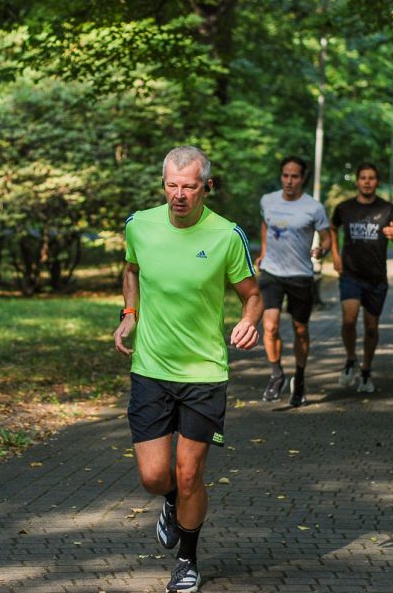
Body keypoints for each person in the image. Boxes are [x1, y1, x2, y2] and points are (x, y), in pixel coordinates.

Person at [113, 145, 263, 593]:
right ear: (164, 185)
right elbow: (132, 269)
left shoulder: (226, 236)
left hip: (203, 372)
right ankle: (172, 504)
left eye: (189, 187)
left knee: (189, 472)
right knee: (155, 477)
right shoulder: (140, 224)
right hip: (151, 368)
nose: (179, 195)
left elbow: (252, 294)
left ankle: (187, 559)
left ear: (206, 187)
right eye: (172, 185)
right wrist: (129, 312)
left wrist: (249, 321)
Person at [254, 156, 331, 407]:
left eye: (294, 176)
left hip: (300, 275)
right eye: (285, 175)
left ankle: (299, 377)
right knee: (270, 326)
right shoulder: (268, 200)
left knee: (301, 329)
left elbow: (326, 236)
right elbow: (265, 225)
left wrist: (322, 251)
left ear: (302, 179)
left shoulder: (313, 208)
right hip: (272, 273)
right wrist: (264, 251)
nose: (289, 180)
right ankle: (276, 374)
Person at [330, 163, 393, 393]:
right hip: (350, 274)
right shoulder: (344, 208)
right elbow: (332, 228)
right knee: (348, 319)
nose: (367, 181)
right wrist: (335, 254)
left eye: (371, 178)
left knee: (371, 327)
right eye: (363, 177)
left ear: (377, 182)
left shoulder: (387, 209)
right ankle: (350, 358)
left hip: (376, 277)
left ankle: (366, 370)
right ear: (357, 181)